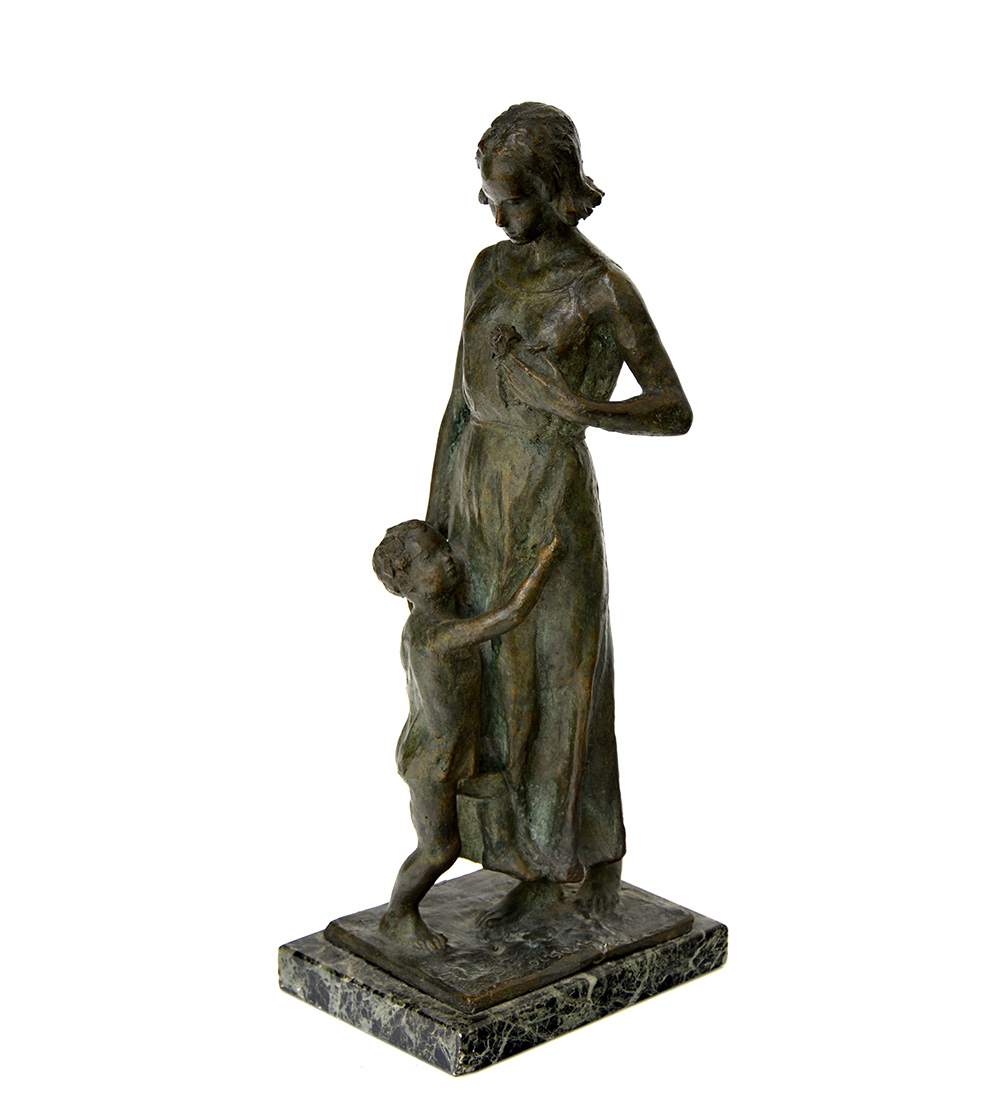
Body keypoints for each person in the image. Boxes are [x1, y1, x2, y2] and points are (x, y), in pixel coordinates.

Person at [426, 103, 693, 927]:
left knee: (559, 682)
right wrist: (435, 518)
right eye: (489, 199)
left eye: (513, 199)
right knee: (494, 685)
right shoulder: (487, 270)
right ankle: (519, 858)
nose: (498, 217)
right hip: (479, 492)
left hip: (551, 501)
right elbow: (458, 405)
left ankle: (570, 861)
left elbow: (673, 407)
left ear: (554, 188)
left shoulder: (602, 287)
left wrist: (582, 409)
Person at [371, 519, 559, 950]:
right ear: (408, 584)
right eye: (432, 557)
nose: (448, 557)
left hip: (459, 748)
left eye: (444, 547)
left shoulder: (429, 618)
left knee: (501, 791)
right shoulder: (436, 635)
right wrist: (543, 562)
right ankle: (399, 914)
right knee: (439, 849)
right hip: (432, 760)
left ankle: (521, 867)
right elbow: (511, 615)